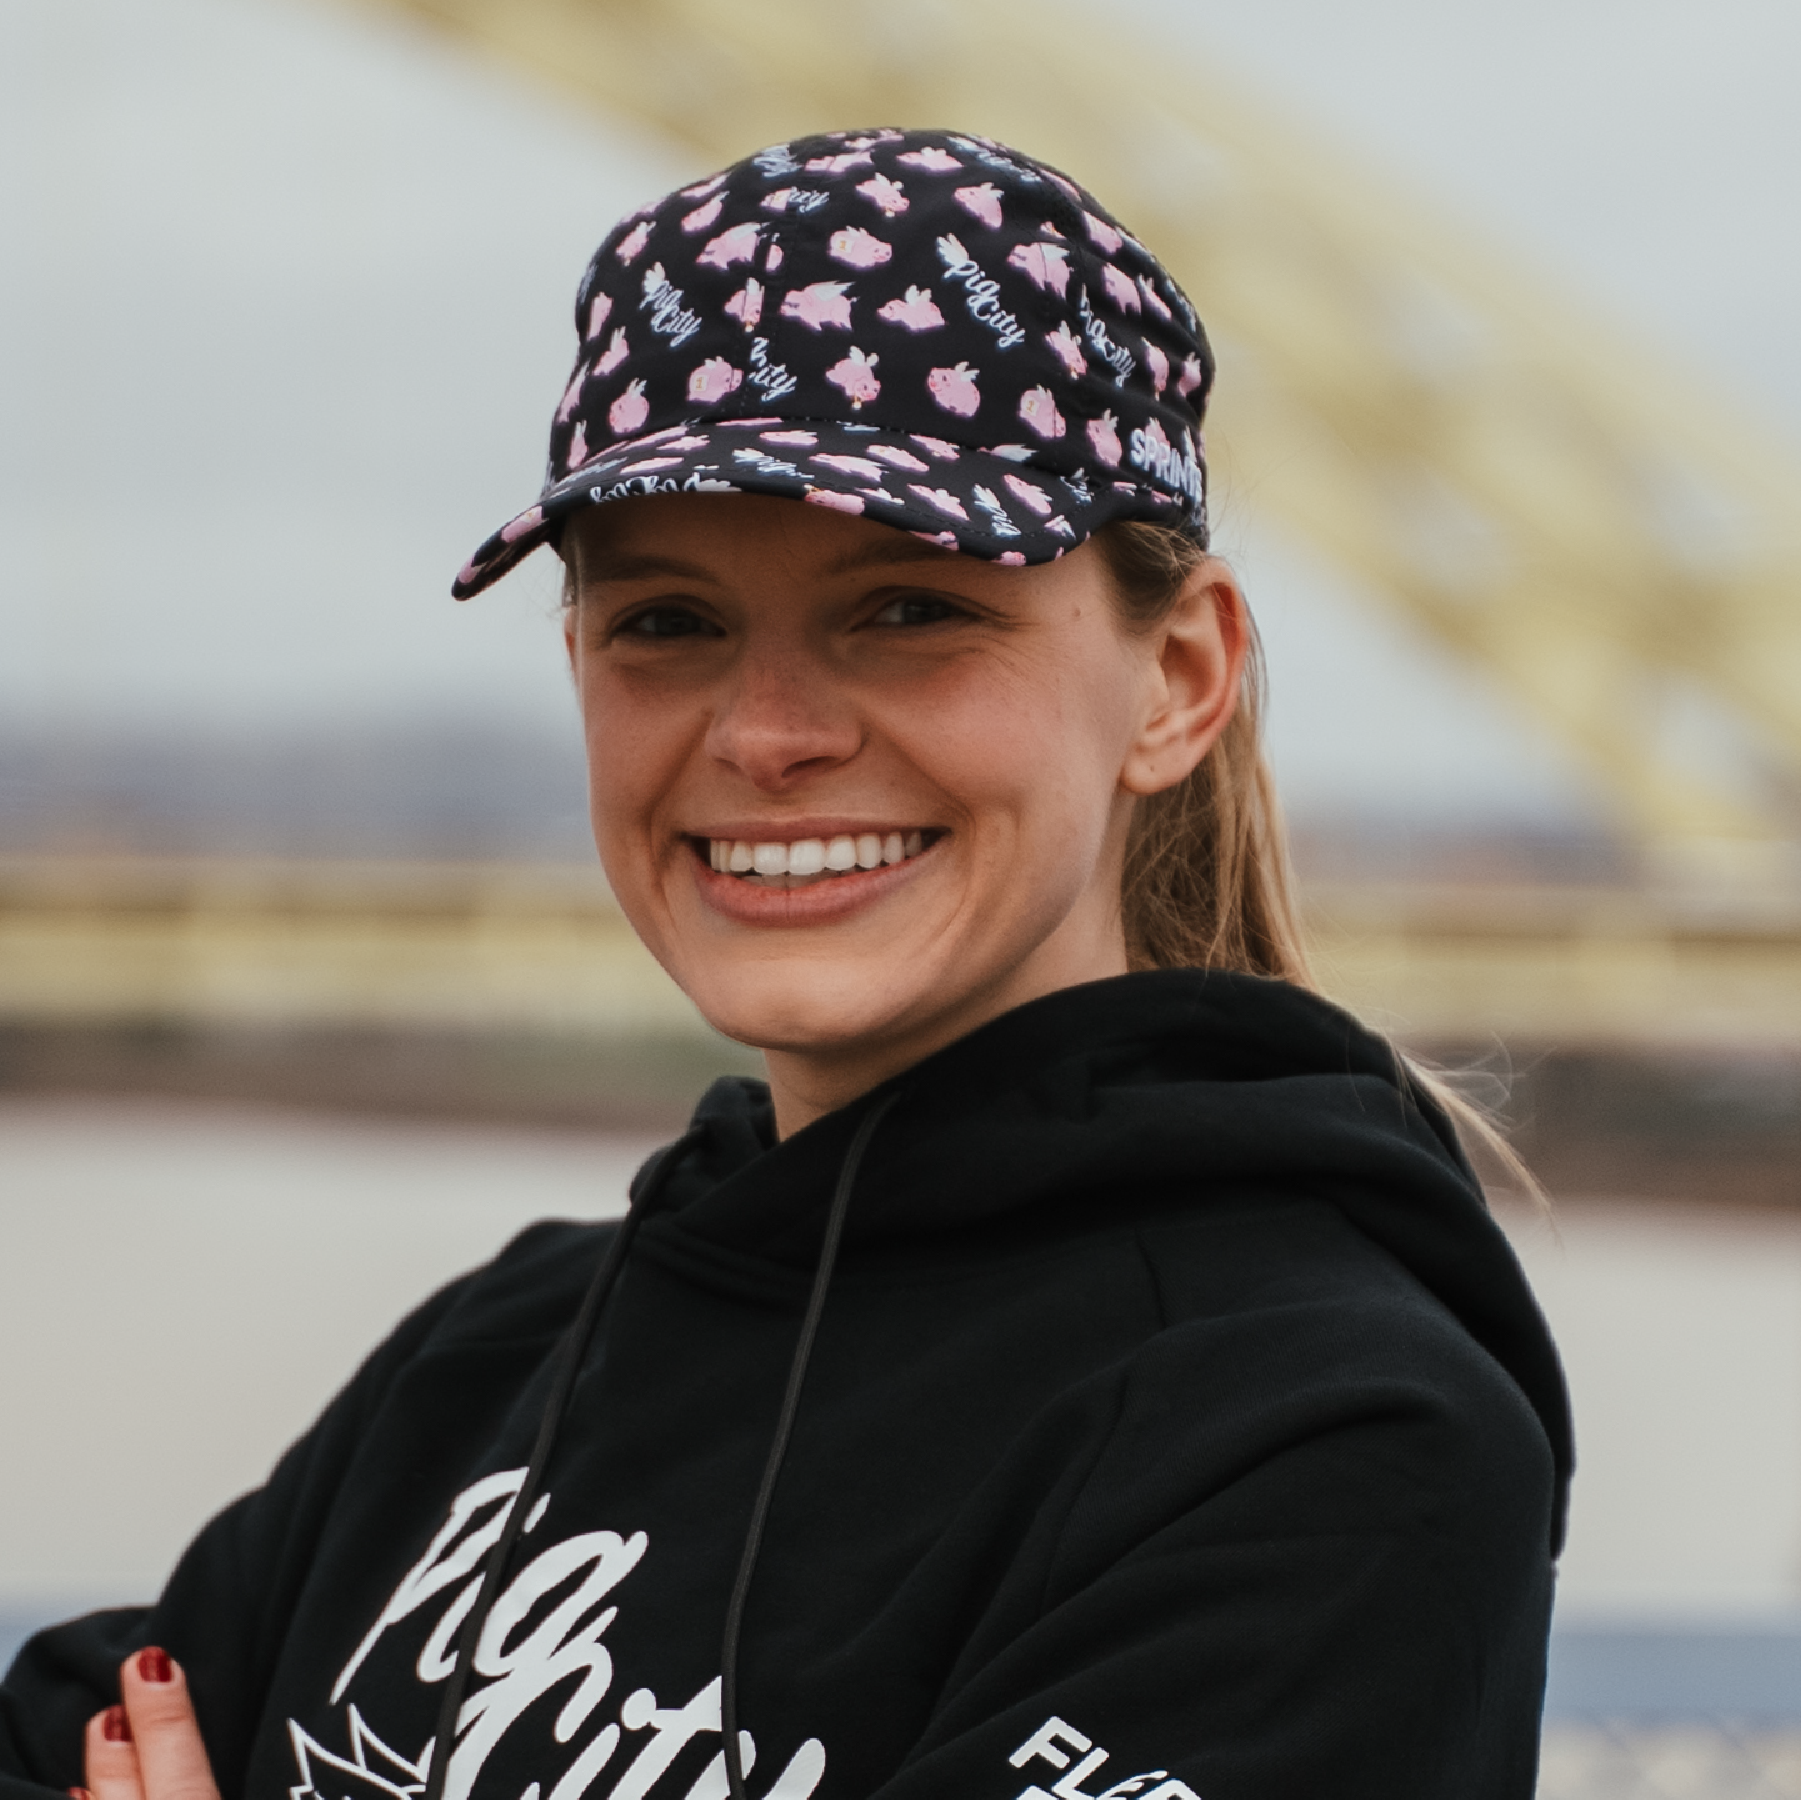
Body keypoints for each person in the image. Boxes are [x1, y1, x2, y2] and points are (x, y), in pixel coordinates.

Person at [0, 128, 1571, 1800]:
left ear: (1179, 677)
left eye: (910, 609)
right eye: (667, 622)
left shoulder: (1326, 1448)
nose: (766, 736)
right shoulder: (508, 1349)